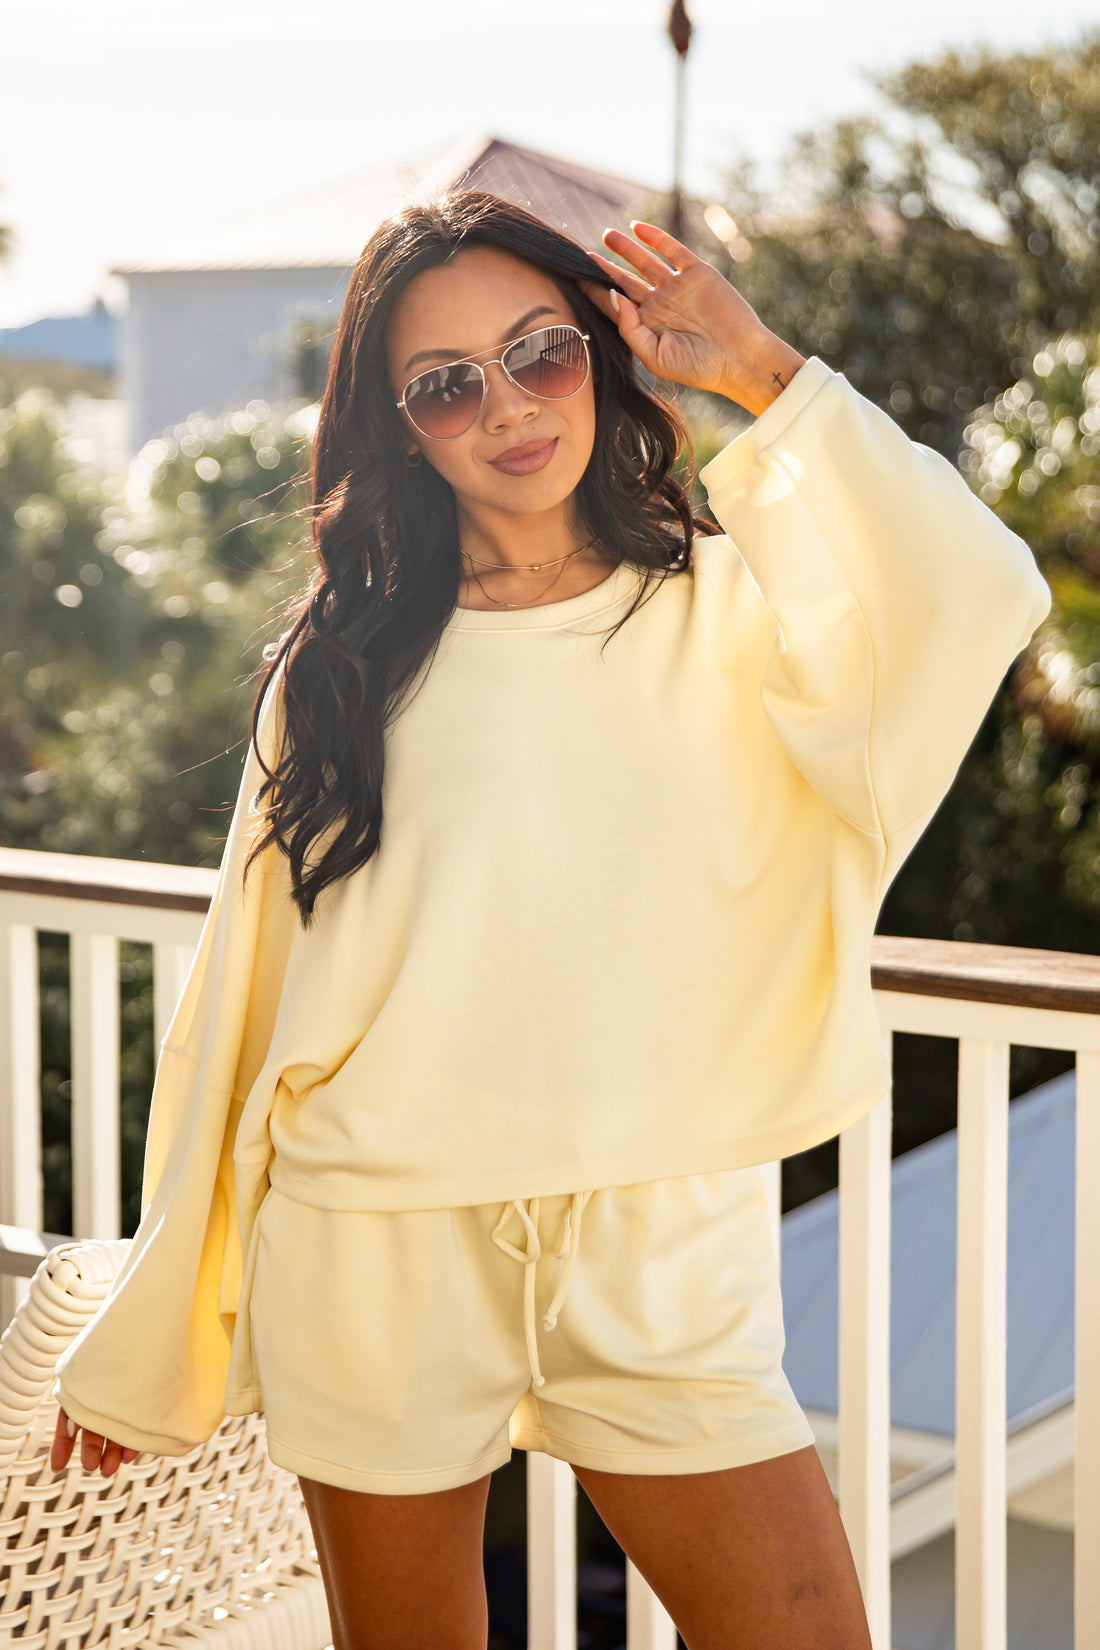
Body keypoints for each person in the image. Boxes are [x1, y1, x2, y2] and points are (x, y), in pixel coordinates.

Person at [47, 188, 1051, 1650]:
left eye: (544, 354)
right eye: (446, 386)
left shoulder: (731, 604)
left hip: (662, 1241)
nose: (508, 409)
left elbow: (974, 592)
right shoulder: (342, 671)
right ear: (401, 429)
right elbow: (238, 1012)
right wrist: (145, 1342)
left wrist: (762, 370)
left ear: (600, 348)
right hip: (375, 1242)